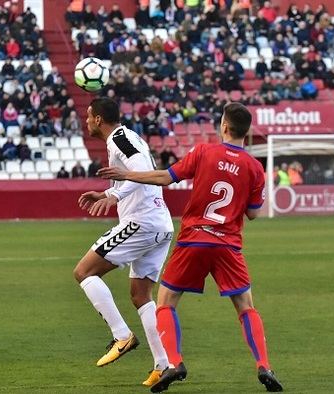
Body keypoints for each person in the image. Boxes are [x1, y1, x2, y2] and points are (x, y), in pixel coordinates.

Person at [98, 102, 284, 393]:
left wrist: (127, 175)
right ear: (245, 132)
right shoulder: (254, 167)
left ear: (224, 126)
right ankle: (264, 366)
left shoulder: (204, 151)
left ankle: (175, 362)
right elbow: (254, 213)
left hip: (194, 239)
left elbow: (165, 177)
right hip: (228, 245)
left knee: (166, 301)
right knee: (246, 306)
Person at [72, 98, 174, 387]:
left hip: (141, 223)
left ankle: (122, 336)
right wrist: (107, 193)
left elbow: (140, 171)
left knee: (84, 271)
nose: (87, 121)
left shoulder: (119, 138)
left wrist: (115, 196)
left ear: (100, 119)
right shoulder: (126, 138)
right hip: (159, 224)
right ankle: (164, 365)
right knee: (141, 296)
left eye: (89, 117)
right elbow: (133, 174)